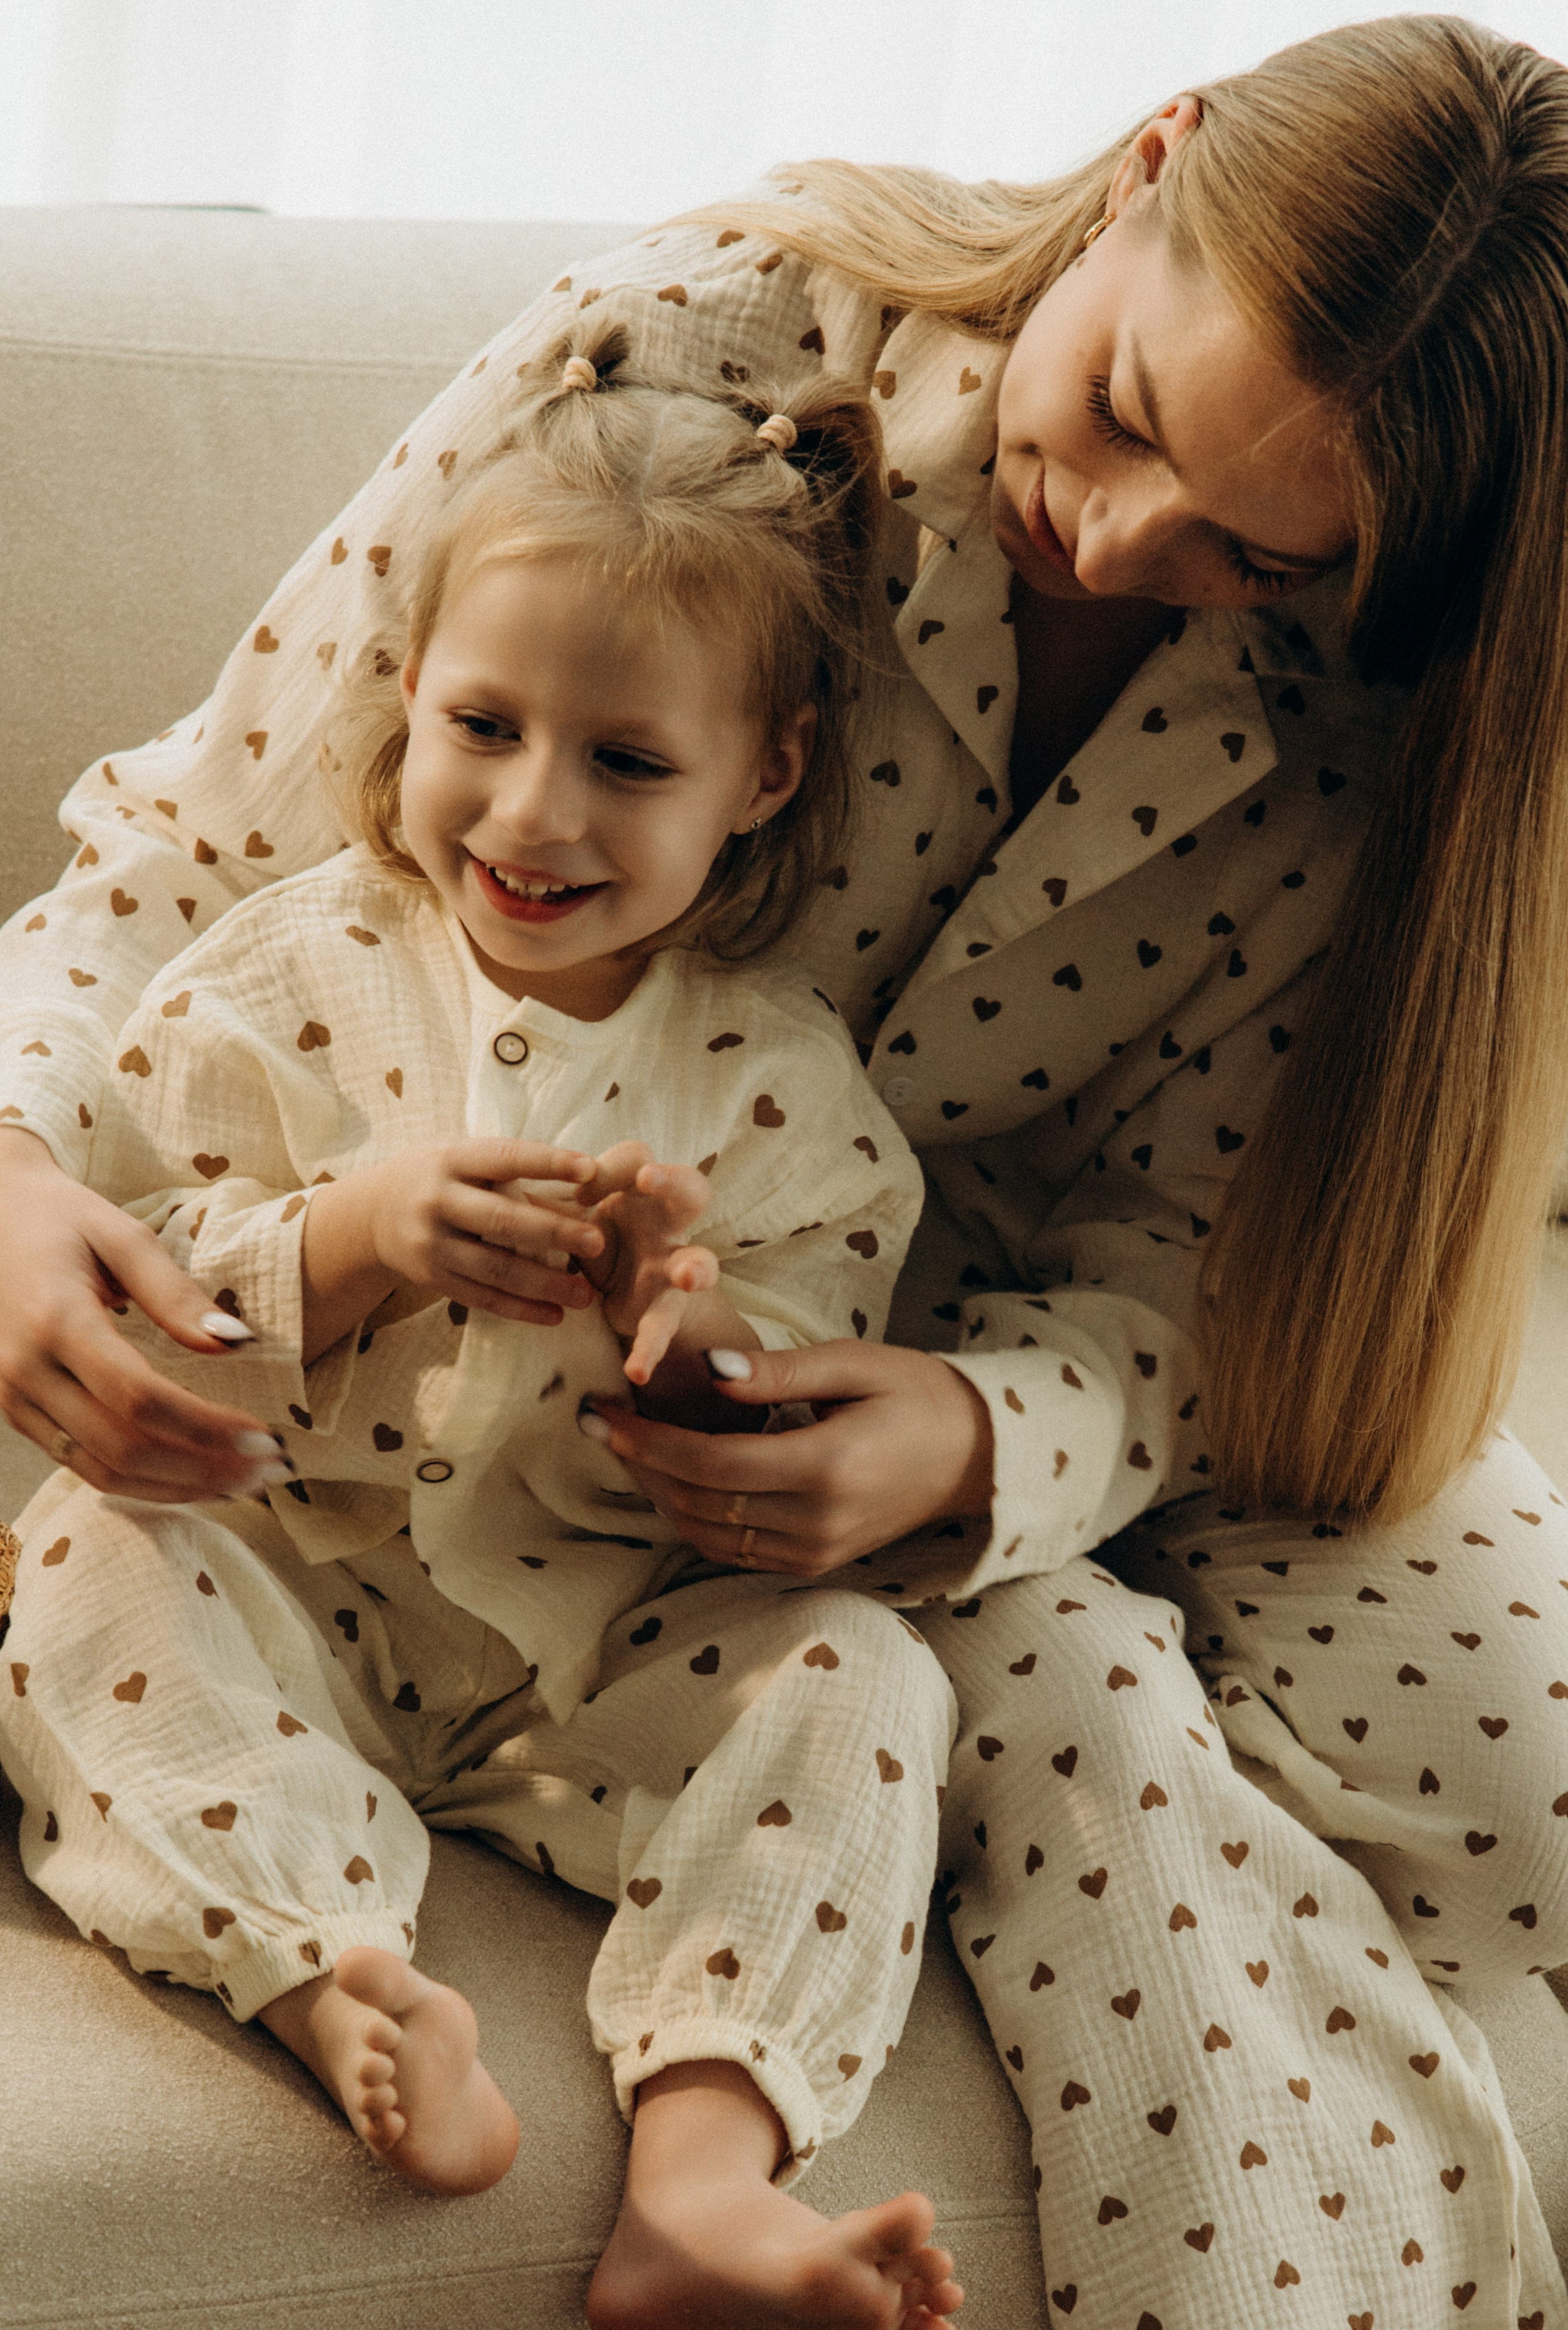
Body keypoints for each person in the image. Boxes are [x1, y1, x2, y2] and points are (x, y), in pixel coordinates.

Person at [0, 10, 1565, 2324]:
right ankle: (1052, 1709)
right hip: (476, 1359)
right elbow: (195, 850)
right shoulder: (698, 357)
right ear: (1152, 162)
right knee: (1062, 1713)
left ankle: (1012, 1656)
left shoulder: (1380, 665)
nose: (1120, 534)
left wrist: (984, 1437)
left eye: (1252, 548)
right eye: (1128, 413)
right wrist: (15, 1174)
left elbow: (1222, 1269)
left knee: (1520, 1786)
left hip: (1024, 1354)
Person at [0, 336, 967, 2330]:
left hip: (599, 1658)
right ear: (406, 696)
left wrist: (689, 1349)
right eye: (484, 724)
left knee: (867, 1676)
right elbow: (149, 1292)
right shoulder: (287, 973)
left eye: (627, 762)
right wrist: (348, 1239)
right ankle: (325, 1968)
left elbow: (809, 1384)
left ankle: (703, 2174)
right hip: (304, 1600)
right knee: (85, 1558)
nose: (533, 811)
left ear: (763, 775)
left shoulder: (776, 1078)